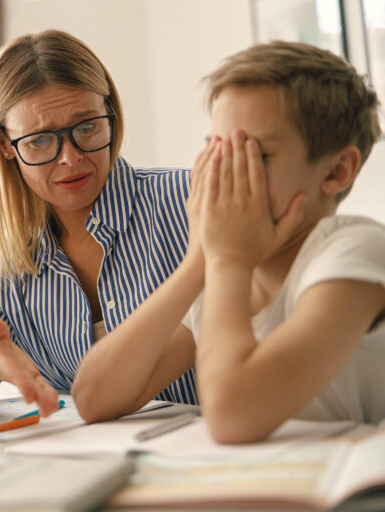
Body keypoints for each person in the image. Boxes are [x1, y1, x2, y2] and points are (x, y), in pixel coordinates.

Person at [72, 41, 385, 442]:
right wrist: (195, 265)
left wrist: (227, 262)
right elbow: (93, 397)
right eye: (215, 149)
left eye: (254, 153)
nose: (223, 171)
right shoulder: (219, 276)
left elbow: (231, 417)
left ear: (337, 171)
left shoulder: (355, 250)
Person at [0, 29, 198, 416]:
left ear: (111, 115)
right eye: (40, 141)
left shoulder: (192, 201)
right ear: (4, 145)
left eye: (86, 127)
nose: (70, 158)